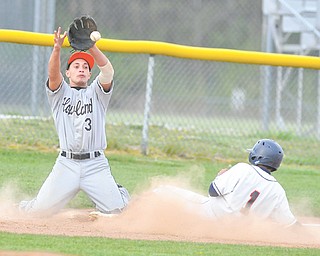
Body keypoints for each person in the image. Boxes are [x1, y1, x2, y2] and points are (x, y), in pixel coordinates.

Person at [19, 27, 130, 217]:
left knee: (117, 212)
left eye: (86, 67)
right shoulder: (60, 94)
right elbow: (53, 75)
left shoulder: (97, 93)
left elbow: (108, 72)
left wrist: (92, 48)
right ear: (68, 73)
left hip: (95, 164)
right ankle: (18, 207)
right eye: (76, 66)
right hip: (66, 164)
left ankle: (119, 193)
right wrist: (56, 49)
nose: (81, 69)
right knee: (37, 213)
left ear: (89, 75)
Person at [153, 139, 297, 227]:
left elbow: (212, 191)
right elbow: (290, 224)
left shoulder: (243, 169)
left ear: (257, 155)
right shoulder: (278, 191)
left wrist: (220, 176)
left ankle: (132, 212)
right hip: (236, 231)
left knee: (162, 190)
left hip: (210, 216)